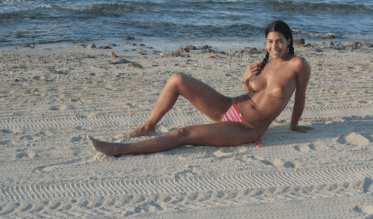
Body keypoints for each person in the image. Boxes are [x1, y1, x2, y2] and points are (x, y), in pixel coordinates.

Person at [89, 20, 312, 156]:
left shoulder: (298, 64)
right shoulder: (265, 64)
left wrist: (294, 126)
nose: (274, 46)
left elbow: (300, 97)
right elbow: (254, 96)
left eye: (279, 41)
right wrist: (246, 80)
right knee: (177, 79)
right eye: (269, 42)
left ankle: (119, 150)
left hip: (246, 128)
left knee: (182, 134)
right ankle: (148, 126)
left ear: (289, 40)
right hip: (229, 106)